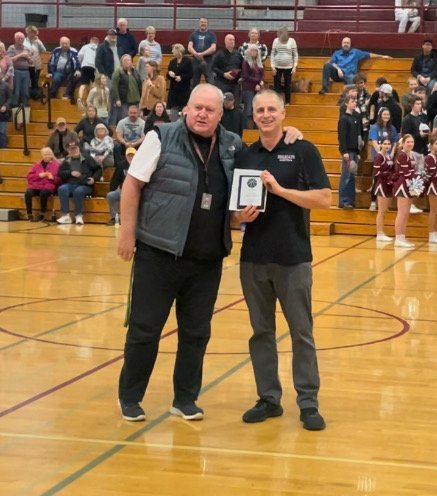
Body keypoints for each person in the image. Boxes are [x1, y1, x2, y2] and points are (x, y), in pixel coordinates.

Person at [116, 84, 244, 422]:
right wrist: (127, 234)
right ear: (185, 109)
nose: (202, 114)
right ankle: (130, 397)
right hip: (159, 253)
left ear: (220, 114)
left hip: (207, 258)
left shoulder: (231, 145)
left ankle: (185, 399)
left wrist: (237, 218)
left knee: (196, 333)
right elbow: (132, 184)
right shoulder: (161, 136)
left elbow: (230, 195)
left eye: (210, 110)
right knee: (145, 330)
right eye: (197, 107)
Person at [232, 89, 331, 431]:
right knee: (261, 332)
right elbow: (233, 214)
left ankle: (308, 402)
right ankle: (269, 399)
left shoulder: (303, 150)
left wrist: (280, 191)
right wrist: (239, 216)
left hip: (294, 259)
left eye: (272, 108)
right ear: (253, 115)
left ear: (283, 113)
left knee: (301, 332)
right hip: (254, 259)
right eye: (260, 109)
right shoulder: (246, 155)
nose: (266, 114)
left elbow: (324, 199)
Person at [319, 37, 390, 95]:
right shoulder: (337, 53)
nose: (346, 44)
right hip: (338, 75)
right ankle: (325, 89)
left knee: (353, 79)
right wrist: (338, 69)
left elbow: (369, 55)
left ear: (350, 44)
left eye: (347, 43)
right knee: (326, 65)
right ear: (342, 44)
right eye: (344, 43)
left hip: (350, 75)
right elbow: (331, 62)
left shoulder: (356, 52)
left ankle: (349, 98)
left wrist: (382, 56)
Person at [56, 139, 101, 225]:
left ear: (79, 148)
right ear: (68, 151)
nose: (74, 151)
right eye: (71, 149)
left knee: (78, 191)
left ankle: (79, 216)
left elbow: (98, 169)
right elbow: (60, 173)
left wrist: (94, 179)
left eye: (75, 148)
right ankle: (66, 216)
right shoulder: (66, 161)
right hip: (70, 184)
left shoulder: (87, 158)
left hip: (85, 184)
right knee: (62, 189)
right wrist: (70, 172)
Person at [368, 107, 399, 210]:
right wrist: (382, 154)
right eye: (384, 114)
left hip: (389, 158)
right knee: (377, 179)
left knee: (388, 179)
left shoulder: (392, 128)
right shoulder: (375, 127)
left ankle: (386, 203)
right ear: (380, 115)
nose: (386, 116)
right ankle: (373, 201)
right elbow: (374, 142)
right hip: (379, 157)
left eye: (388, 115)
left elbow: (395, 143)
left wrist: (391, 154)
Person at [337, 94, 362, 208]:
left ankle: (351, 200)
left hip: (354, 151)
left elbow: (357, 136)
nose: (354, 103)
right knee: (346, 175)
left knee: (352, 176)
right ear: (347, 103)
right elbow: (342, 137)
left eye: (355, 101)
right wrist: (344, 151)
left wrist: (358, 152)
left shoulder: (355, 118)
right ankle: (344, 200)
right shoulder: (344, 119)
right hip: (348, 151)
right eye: (352, 101)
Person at [392, 134, 417, 248]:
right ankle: (398, 238)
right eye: (408, 142)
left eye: (412, 142)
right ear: (403, 143)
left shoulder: (410, 155)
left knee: (406, 213)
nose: (410, 144)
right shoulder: (402, 155)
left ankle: (402, 237)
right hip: (403, 184)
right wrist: (418, 177)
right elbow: (406, 172)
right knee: (401, 213)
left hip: (409, 184)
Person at [24, 147, 60, 222]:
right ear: (42, 155)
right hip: (36, 186)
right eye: (45, 154)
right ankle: (29, 213)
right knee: (28, 193)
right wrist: (39, 175)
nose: (47, 156)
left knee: (44, 192)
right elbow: (29, 177)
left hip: (48, 186)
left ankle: (42, 213)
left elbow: (60, 180)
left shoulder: (56, 165)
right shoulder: (36, 165)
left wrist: (52, 178)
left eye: (49, 154)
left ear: (51, 155)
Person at [106, 146, 135, 226]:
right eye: (129, 155)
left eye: (132, 155)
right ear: (126, 156)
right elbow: (115, 179)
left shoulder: (140, 165)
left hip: (135, 191)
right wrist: (112, 189)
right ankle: (114, 217)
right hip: (123, 190)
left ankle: (129, 219)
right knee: (110, 195)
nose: (131, 157)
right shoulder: (121, 165)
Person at [373, 138, 396, 242]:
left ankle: (382, 232)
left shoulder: (388, 156)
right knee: (381, 211)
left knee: (385, 210)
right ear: (381, 144)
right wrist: (387, 174)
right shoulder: (379, 156)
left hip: (388, 185)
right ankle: (379, 233)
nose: (387, 146)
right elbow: (376, 173)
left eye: (389, 144)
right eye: (385, 144)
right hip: (381, 185)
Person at [47, 37, 81, 103]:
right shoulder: (56, 50)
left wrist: (77, 69)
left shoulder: (73, 51)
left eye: (66, 43)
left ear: (69, 44)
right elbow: (51, 62)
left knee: (75, 76)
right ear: (60, 44)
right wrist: (50, 72)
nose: (64, 45)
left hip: (70, 71)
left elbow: (77, 61)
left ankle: (68, 95)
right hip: (59, 71)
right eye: (63, 43)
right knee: (56, 78)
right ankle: (51, 97)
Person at [270, 26, 298, 106]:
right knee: (276, 85)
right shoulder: (275, 41)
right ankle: (276, 102)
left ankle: (287, 101)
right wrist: (272, 66)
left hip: (288, 67)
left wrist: (294, 67)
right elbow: (272, 54)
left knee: (287, 84)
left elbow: (295, 54)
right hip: (277, 67)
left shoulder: (292, 41)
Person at [110, 54, 142, 123]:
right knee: (124, 121)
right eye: (125, 60)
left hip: (136, 101)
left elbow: (140, 85)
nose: (127, 62)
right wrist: (117, 99)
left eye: (128, 60)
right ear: (121, 62)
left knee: (136, 121)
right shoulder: (118, 72)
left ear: (131, 62)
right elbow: (114, 86)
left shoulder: (135, 72)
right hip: (124, 102)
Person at [211, 34, 243, 102]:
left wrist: (240, 76)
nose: (232, 41)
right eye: (230, 40)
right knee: (222, 103)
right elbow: (213, 67)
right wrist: (223, 74)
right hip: (222, 83)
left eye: (233, 40)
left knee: (235, 104)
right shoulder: (218, 54)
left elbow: (242, 68)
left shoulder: (238, 54)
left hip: (235, 84)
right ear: (225, 41)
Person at [187, 17, 217, 87]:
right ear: (199, 23)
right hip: (196, 60)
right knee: (194, 82)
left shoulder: (211, 34)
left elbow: (213, 48)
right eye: (201, 22)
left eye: (204, 22)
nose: (203, 23)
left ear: (207, 24)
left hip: (208, 60)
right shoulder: (193, 34)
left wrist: (202, 54)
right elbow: (189, 47)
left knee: (210, 82)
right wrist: (196, 54)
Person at [166, 43, 193, 116]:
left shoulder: (188, 61)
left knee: (183, 110)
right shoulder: (172, 62)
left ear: (178, 51)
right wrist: (169, 74)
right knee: (173, 112)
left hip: (184, 90)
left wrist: (181, 78)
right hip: (174, 90)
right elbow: (167, 75)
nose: (172, 52)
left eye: (173, 50)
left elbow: (191, 74)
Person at [241, 44, 264, 128]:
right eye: (252, 50)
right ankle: (245, 129)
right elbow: (245, 76)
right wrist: (258, 82)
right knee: (248, 109)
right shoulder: (245, 62)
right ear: (248, 52)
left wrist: (260, 83)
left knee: (257, 109)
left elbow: (261, 75)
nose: (254, 52)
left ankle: (256, 129)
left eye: (255, 50)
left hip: (258, 89)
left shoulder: (259, 63)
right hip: (248, 88)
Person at [7, 32, 32, 108]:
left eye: (22, 38)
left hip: (26, 71)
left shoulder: (27, 48)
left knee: (25, 91)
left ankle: (24, 107)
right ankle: (14, 108)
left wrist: (27, 58)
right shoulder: (11, 48)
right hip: (16, 71)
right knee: (16, 91)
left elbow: (31, 62)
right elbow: (9, 60)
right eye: (19, 38)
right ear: (15, 39)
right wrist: (21, 55)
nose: (21, 40)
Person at [24, 25, 46, 101]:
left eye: (34, 32)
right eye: (31, 32)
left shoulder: (37, 41)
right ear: (27, 32)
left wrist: (39, 41)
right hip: (27, 65)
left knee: (35, 81)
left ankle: (35, 97)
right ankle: (27, 96)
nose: (33, 34)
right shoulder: (23, 41)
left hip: (36, 65)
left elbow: (43, 50)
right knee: (27, 81)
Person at [77, 36, 99, 111]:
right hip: (93, 67)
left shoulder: (85, 46)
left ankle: (80, 98)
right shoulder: (98, 48)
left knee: (83, 84)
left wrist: (80, 63)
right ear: (97, 43)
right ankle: (91, 100)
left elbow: (79, 56)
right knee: (93, 84)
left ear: (90, 41)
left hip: (85, 65)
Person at [425, 136, 437, 243]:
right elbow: (432, 174)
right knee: (433, 211)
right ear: (432, 145)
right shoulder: (429, 157)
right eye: (436, 144)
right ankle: (431, 234)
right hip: (434, 187)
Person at [0, 77, 12, 148]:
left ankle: (3, 151)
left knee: (2, 132)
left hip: (3, 114)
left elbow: (10, 98)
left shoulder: (6, 85)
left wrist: (5, 106)